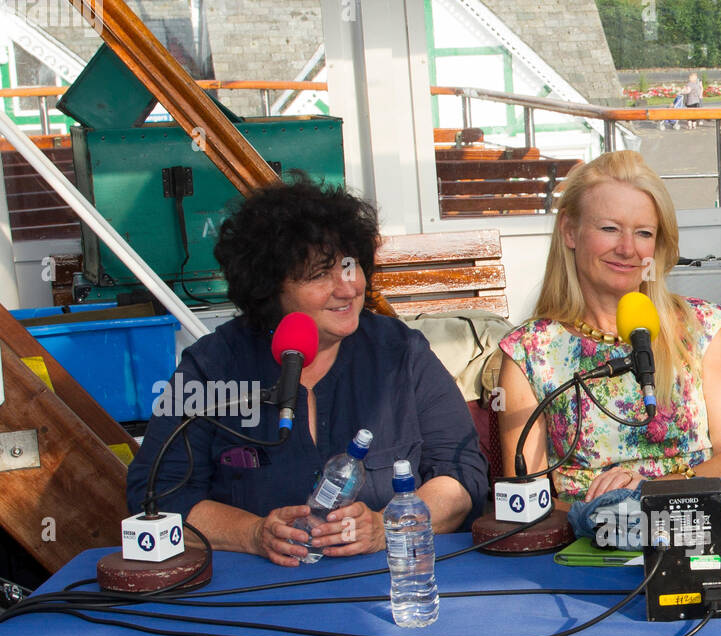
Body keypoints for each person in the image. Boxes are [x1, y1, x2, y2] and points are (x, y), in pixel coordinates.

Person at [125, 176, 489, 566]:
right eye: (318, 275)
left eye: (350, 267)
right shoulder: (212, 367)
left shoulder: (400, 352)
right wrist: (251, 533)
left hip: (393, 588)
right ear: (269, 286)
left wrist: (387, 527)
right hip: (256, 599)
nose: (347, 288)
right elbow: (157, 497)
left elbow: (463, 474)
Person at [496, 151, 721, 505]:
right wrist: (606, 510)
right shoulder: (530, 351)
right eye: (609, 229)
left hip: (692, 527)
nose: (627, 249)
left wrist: (653, 489)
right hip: (586, 539)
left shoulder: (700, 329)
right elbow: (526, 497)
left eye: (644, 233)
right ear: (570, 232)